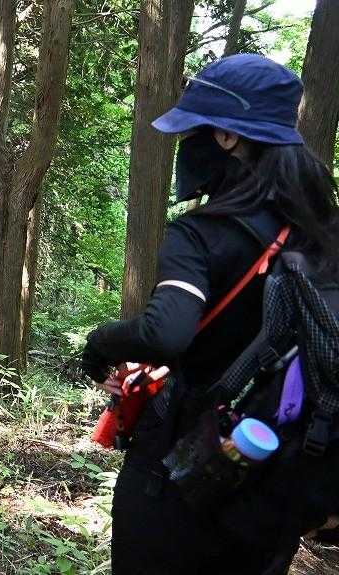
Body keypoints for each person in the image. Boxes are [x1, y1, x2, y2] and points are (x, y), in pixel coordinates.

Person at [81, 54, 339, 574]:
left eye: (192, 131)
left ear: (226, 137)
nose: (187, 145)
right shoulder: (325, 232)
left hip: (185, 471)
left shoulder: (200, 234)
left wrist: (101, 342)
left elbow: (166, 331)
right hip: (277, 482)